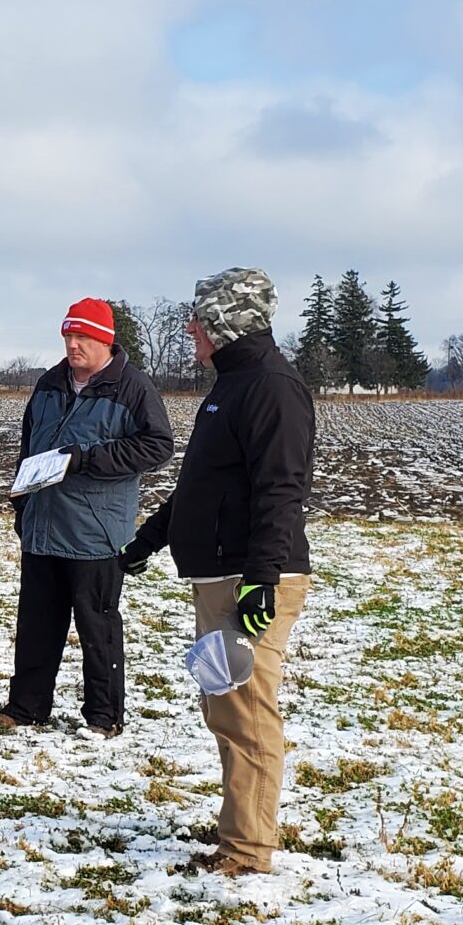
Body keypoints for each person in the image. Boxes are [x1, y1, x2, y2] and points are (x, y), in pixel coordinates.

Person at [120, 269, 313, 873]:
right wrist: (144, 544)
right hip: (221, 577)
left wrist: (262, 576)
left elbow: (282, 489)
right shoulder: (231, 384)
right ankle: (241, 833)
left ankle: (249, 852)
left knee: (246, 709)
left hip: (249, 580)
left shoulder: (271, 388)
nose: (190, 330)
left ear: (228, 323)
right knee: (225, 706)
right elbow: (197, 489)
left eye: (199, 321)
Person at [0, 299, 174, 736]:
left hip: (95, 531)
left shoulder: (132, 387)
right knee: (36, 624)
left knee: (98, 628)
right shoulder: (48, 385)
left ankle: (103, 717)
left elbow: (157, 446)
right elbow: (28, 447)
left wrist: (87, 459)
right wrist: (22, 504)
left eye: (83, 338)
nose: (73, 346)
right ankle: (26, 707)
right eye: (68, 337)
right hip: (42, 526)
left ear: (105, 341)